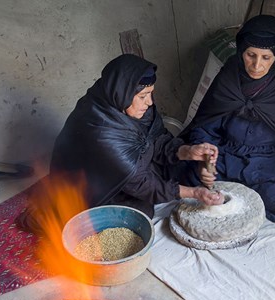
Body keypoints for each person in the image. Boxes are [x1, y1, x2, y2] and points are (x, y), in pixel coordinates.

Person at [180, 15, 275, 223]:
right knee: (187, 175)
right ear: (241, 51)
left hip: (269, 161)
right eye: (251, 55)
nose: (256, 65)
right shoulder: (228, 76)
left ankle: (236, 197)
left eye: (265, 58)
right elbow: (206, 125)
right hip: (226, 154)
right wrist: (206, 160)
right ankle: (239, 195)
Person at [44, 53, 223, 220]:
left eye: (151, 93)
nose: (150, 102)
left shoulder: (130, 104)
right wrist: (194, 193)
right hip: (92, 186)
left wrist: (188, 151)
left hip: (128, 169)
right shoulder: (100, 131)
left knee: (182, 169)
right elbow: (139, 183)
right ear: (122, 92)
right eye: (143, 96)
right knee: (136, 215)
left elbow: (157, 138)